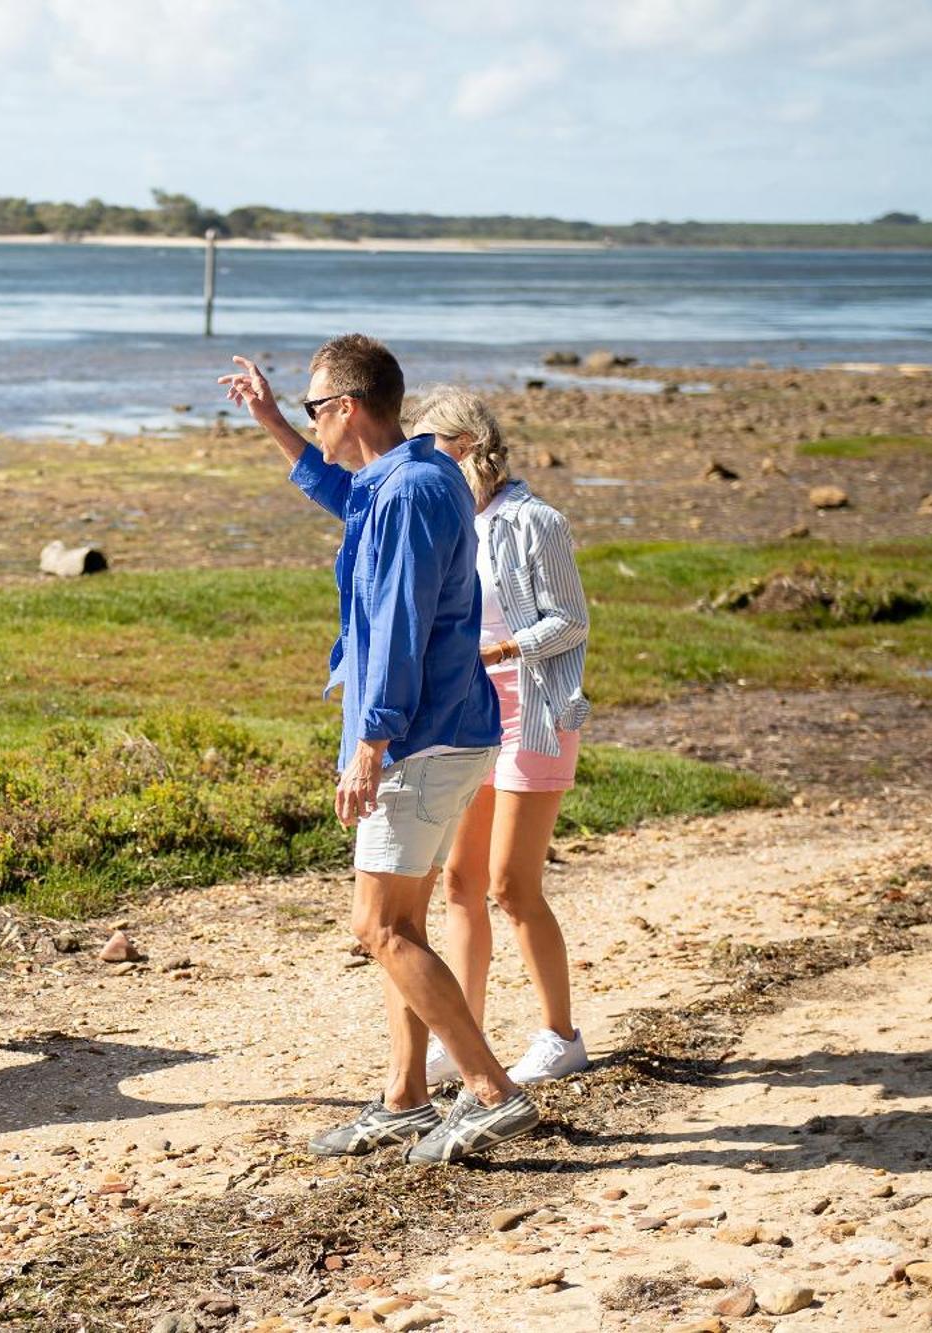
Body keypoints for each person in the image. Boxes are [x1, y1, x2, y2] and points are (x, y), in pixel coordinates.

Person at [220, 338, 542, 1164]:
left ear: (349, 409)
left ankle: (493, 1092)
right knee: (405, 919)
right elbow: (344, 492)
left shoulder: (406, 494)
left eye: (311, 408)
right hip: (449, 733)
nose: (311, 422)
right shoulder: (416, 478)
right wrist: (268, 422)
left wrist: (372, 741)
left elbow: (399, 622)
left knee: (378, 927)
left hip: (419, 739)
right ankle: (405, 1098)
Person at [413, 387, 592, 1087]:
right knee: (459, 881)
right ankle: (465, 1037)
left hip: (534, 717)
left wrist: (504, 649)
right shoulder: (456, 520)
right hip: (470, 718)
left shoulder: (535, 520)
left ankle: (560, 1034)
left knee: (512, 886)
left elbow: (570, 621)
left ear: (463, 447)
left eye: (430, 451)